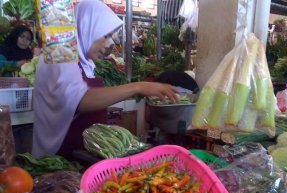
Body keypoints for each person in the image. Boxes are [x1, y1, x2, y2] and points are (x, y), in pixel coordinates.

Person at [32, 0, 179, 160]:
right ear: (88, 26)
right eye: (106, 35)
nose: (111, 44)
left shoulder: (83, 62)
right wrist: (138, 87)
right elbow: (80, 100)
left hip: (83, 152)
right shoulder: (59, 56)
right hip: (61, 157)